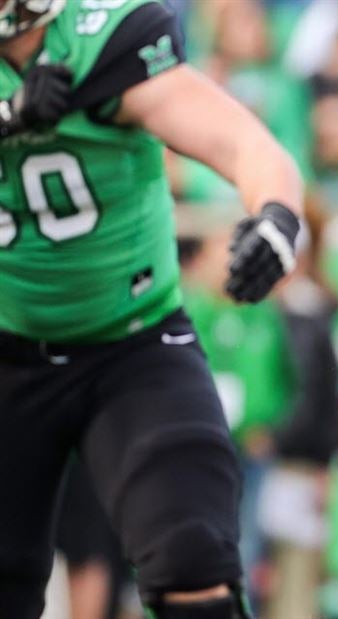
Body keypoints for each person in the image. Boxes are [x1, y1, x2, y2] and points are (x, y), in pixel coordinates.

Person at [0, 0, 304, 617]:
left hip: (132, 346)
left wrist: (274, 217)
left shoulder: (104, 35)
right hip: (7, 346)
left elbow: (243, 140)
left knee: (194, 563)